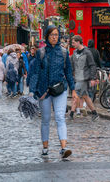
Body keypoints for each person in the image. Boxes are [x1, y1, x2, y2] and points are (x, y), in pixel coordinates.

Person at [29, 25, 77, 158]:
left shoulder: (63, 52)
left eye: (56, 35)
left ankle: (63, 148)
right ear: (47, 36)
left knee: (60, 117)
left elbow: (68, 72)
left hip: (59, 89)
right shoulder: (41, 52)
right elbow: (35, 73)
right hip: (44, 91)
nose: (54, 37)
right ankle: (45, 147)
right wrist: (32, 91)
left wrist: (73, 89)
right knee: (45, 119)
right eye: (52, 35)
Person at [70, 35, 99, 121]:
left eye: (73, 42)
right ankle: (95, 113)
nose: (72, 44)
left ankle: (71, 114)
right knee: (85, 96)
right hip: (77, 77)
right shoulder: (74, 53)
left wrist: (93, 78)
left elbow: (92, 65)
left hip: (84, 77)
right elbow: (72, 66)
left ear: (79, 42)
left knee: (76, 94)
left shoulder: (87, 52)